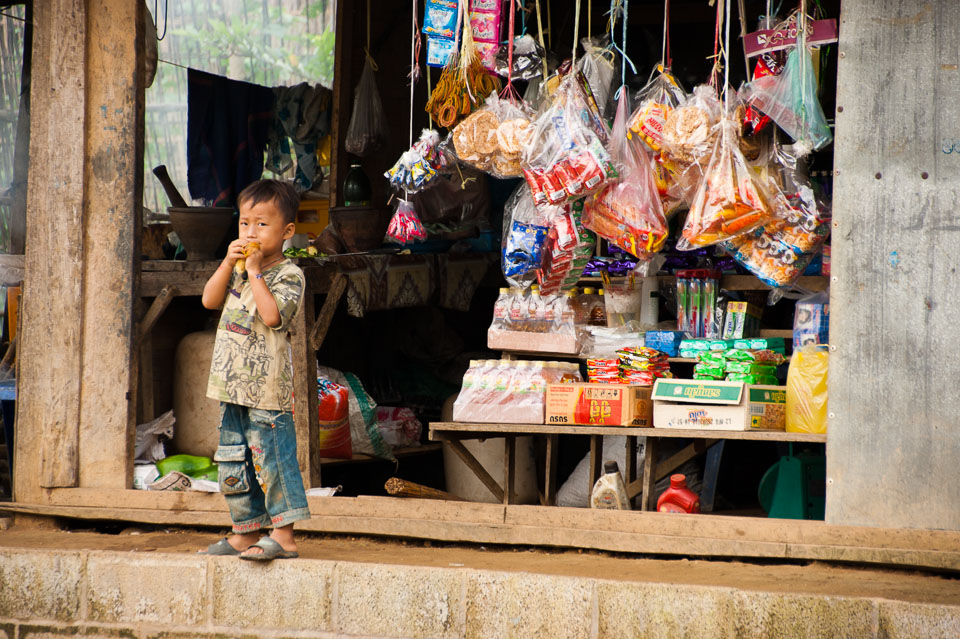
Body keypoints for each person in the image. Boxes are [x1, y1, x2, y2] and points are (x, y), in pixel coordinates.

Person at [200, 179, 309, 561]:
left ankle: (283, 534)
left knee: (273, 459)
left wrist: (255, 270)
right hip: (232, 386)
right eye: (245, 223)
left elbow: (272, 315)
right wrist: (230, 262)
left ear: (287, 232)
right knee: (235, 458)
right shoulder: (236, 268)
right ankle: (245, 531)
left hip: (267, 389)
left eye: (262, 224)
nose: (251, 232)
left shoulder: (289, 274)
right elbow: (209, 300)